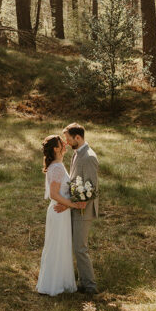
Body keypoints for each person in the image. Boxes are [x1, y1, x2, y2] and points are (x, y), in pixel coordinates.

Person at [36, 135, 84, 296]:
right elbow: (54, 194)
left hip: (61, 211)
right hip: (58, 211)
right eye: (61, 143)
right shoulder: (56, 167)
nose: (65, 144)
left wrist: (68, 204)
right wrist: (72, 205)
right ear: (56, 149)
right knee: (56, 246)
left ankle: (61, 282)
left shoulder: (58, 165)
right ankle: (53, 285)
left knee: (62, 246)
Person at [56, 123, 99, 295]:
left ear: (78, 138)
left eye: (68, 139)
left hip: (84, 209)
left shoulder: (89, 157)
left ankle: (90, 287)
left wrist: (72, 203)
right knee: (76, 247)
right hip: (75, 206)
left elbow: (92, 187)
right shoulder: (77, 154)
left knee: (80, 248)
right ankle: (82, 282)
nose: (66, 142)